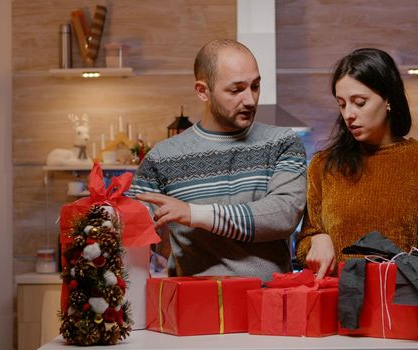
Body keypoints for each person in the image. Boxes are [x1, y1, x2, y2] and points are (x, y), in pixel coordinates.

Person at [127, 39, 307, 281]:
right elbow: (132, 232)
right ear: (203, 91)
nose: (251, 100)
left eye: (255, 86)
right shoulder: (162, 158)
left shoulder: (282, 142)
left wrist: (194, 214)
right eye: (236, 90)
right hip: (193, 310)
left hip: (267, 307)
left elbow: (282, 215)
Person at [295, 48, 418, 279]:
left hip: (405, 305)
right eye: (342, 104)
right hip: (340, 306)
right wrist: (316, 239)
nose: (348, 114)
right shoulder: (323, 166)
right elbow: (304, 243)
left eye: (359, 102)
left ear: (388, 100)